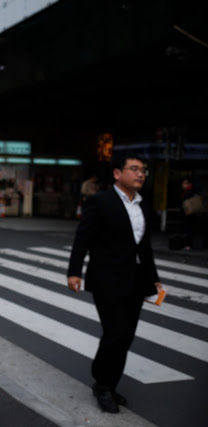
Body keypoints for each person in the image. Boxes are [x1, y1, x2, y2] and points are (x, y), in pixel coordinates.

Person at [67, 153, 161, 414]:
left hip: (135, 280)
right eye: (134, 169)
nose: (140, 174)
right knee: (115, 333)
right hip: (106, 279)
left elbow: (145, 247)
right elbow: (82, 238)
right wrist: (74, 271)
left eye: (143, 170)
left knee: (126, 337)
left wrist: (154, 279)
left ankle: (110, 383)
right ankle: (103, 384)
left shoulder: (142, 204)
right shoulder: (100, 201)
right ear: (118, 174)